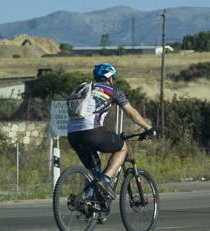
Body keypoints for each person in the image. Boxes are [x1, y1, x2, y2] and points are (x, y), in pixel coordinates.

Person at [67, 63, 156, 198]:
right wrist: (148, 128)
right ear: (110, 78)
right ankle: (106, 179)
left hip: (72, 134)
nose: (113, 80)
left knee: (92, 170)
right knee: (122, 148)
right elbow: (131, 113)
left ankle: (84, 200)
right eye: (113, 78)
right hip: (91, 132)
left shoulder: (85, 88)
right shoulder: (113, 91)